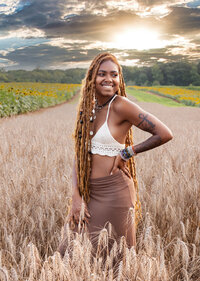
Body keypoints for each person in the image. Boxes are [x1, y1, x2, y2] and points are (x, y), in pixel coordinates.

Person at [58, 52, 173, 257]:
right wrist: (76, 198)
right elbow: (79, 156)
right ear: (92, 77)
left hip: (115, 193)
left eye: (114, 74)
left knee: (112, 259)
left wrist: (128, 152)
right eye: (102, 74)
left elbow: (164, 133)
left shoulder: (121, 105)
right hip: (89, 193)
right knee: (68, 252)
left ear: (120, 79)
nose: (109, 79)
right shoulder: (89, 109)